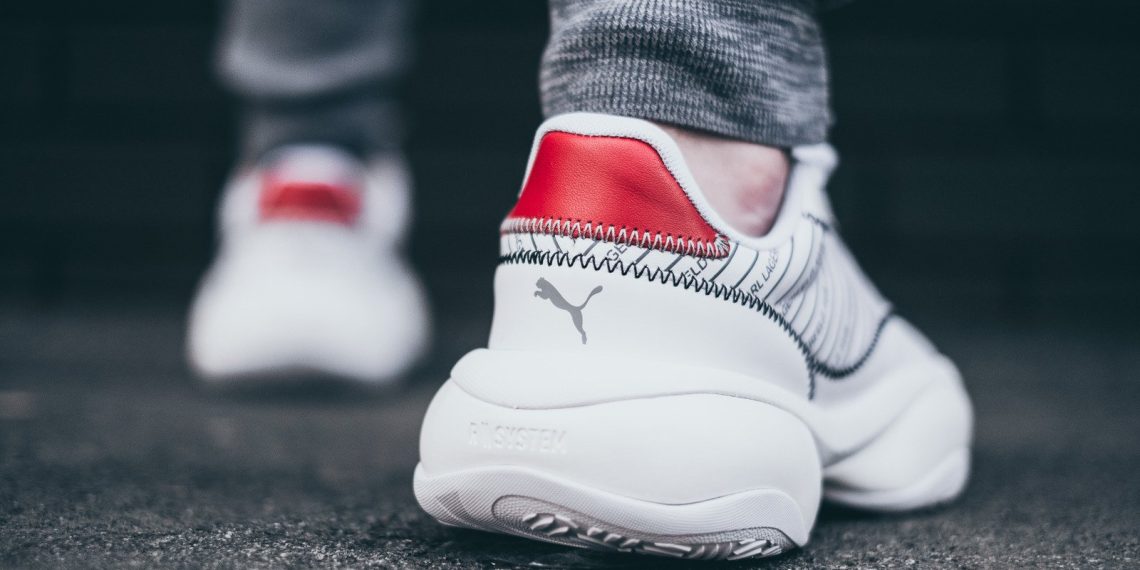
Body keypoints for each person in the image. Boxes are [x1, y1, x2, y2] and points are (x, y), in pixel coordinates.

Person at [189, 0, 974, 561]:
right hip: (705, 274)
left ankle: (311, 153)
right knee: (680, 78)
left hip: (559, 265)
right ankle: (697, 140)